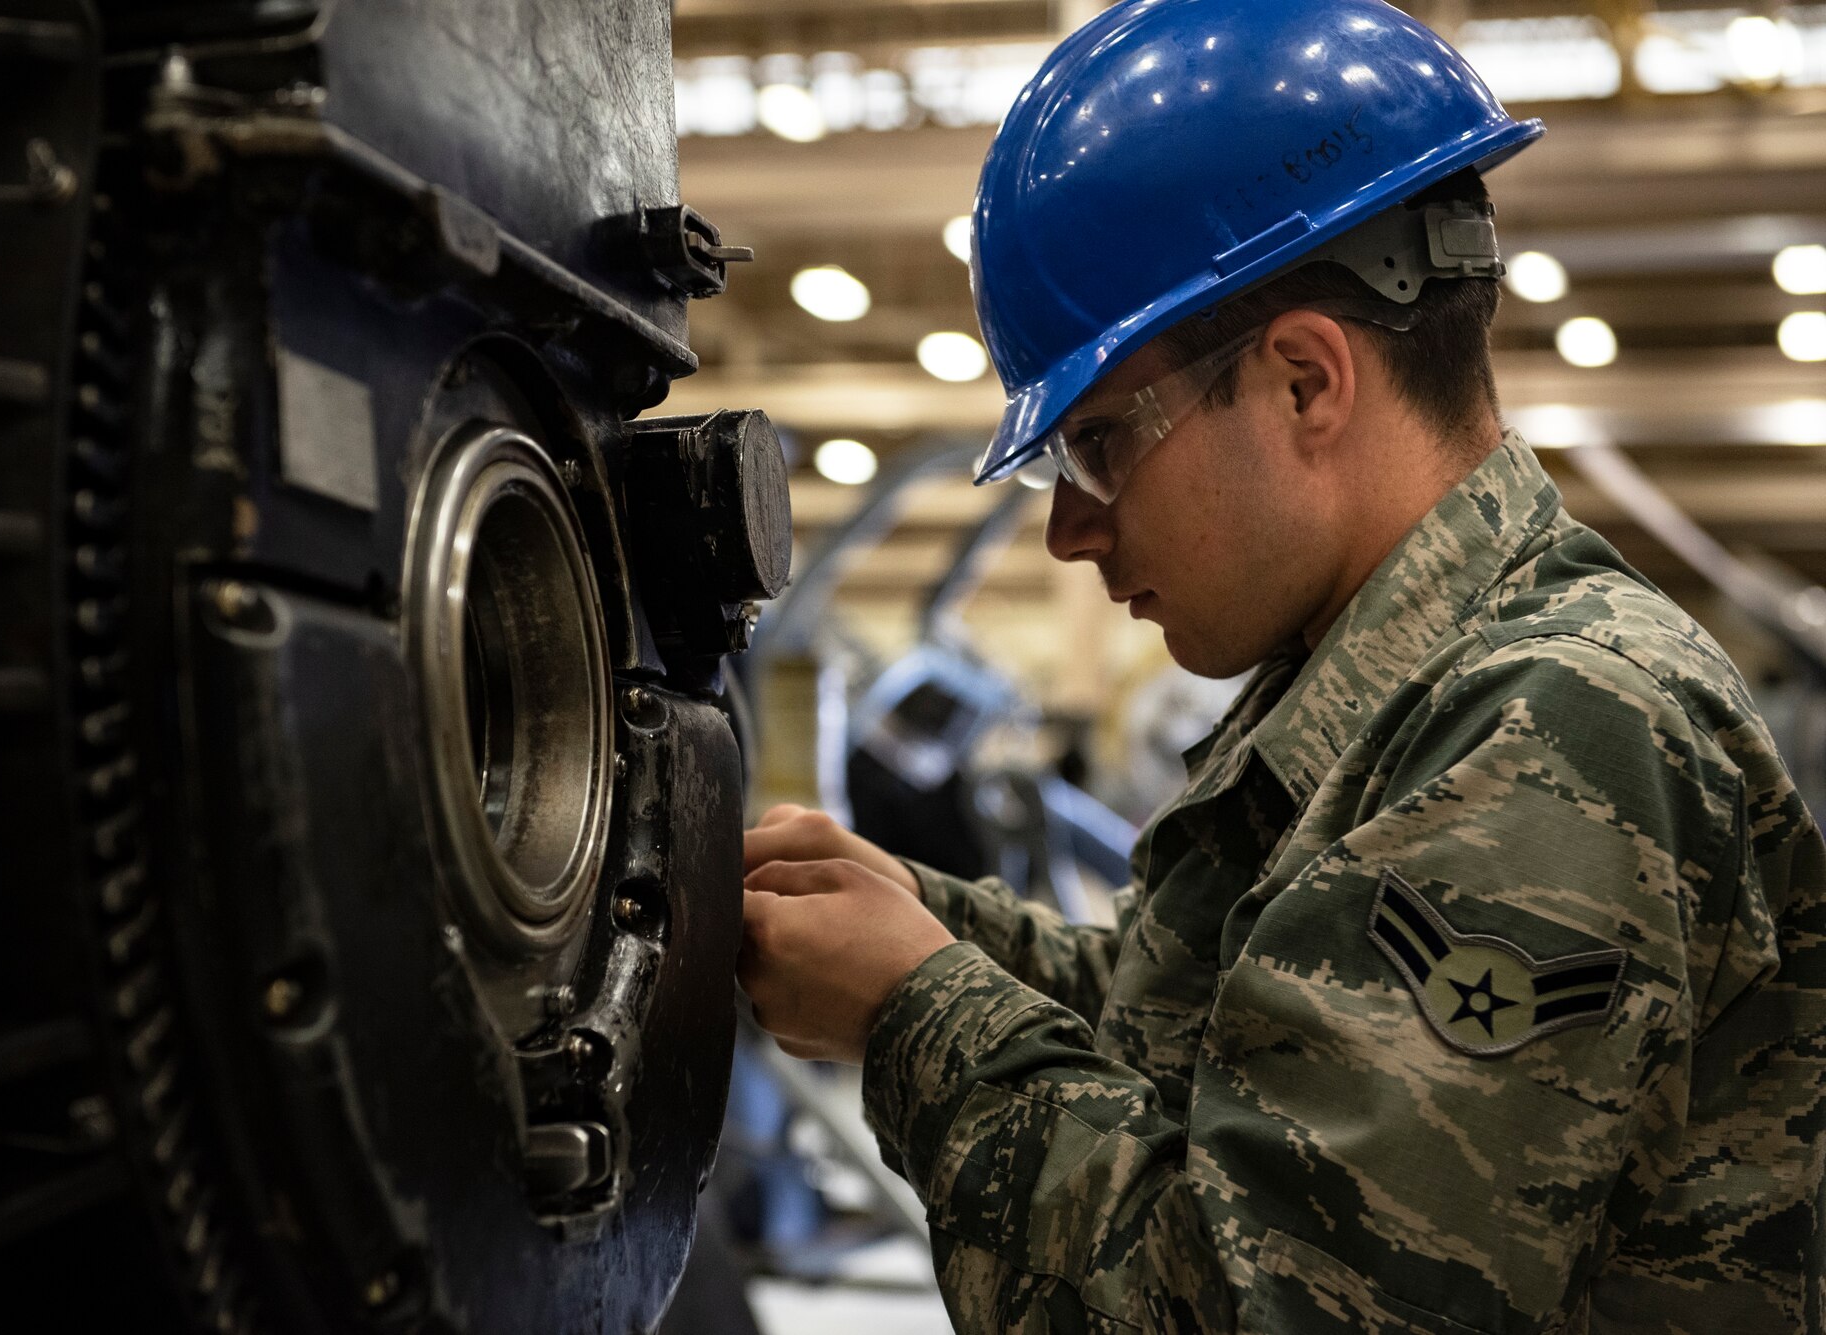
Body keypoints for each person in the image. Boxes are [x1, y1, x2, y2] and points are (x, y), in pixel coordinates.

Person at [735, 1, 1826, 1331]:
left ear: (1308, 382)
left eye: (1096, 446)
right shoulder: (1389, 696)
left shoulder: (1549, 723)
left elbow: (1261, 1306)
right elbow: (1217, 1037)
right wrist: (924, 926)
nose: (1071, 530)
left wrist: (920, 1015)